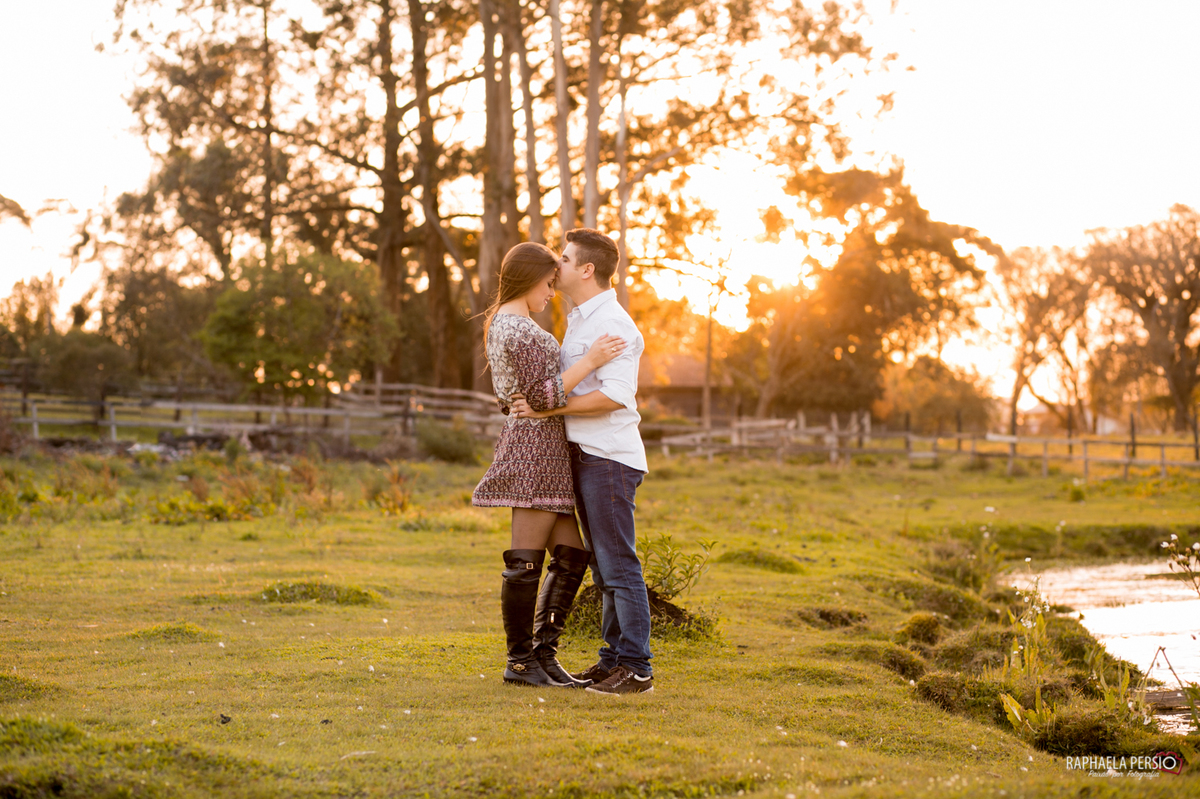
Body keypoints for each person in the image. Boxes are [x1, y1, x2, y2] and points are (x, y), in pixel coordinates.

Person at [471, 241, 626, 688]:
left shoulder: (512, 323)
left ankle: (544, 655)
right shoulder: (516, 327)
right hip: (534, 449)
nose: (552, 293)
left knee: (573, 553)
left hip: (547, 447)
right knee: (526, 560)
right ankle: (520, 662)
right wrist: (593, 361)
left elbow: (532, 394)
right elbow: (539, 397)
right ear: (531, 278)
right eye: (548, 284)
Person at [511, 228, 654, 695]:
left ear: (587, 270)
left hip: (608, 458)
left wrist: (549, 408)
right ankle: (612, 660)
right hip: (587, 454)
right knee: (605, 567)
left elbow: (614, 395)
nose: (559, 265)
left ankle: (636, 668)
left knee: (618, 566)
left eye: (567, 259)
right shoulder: (580, 318)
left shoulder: (613, 323)